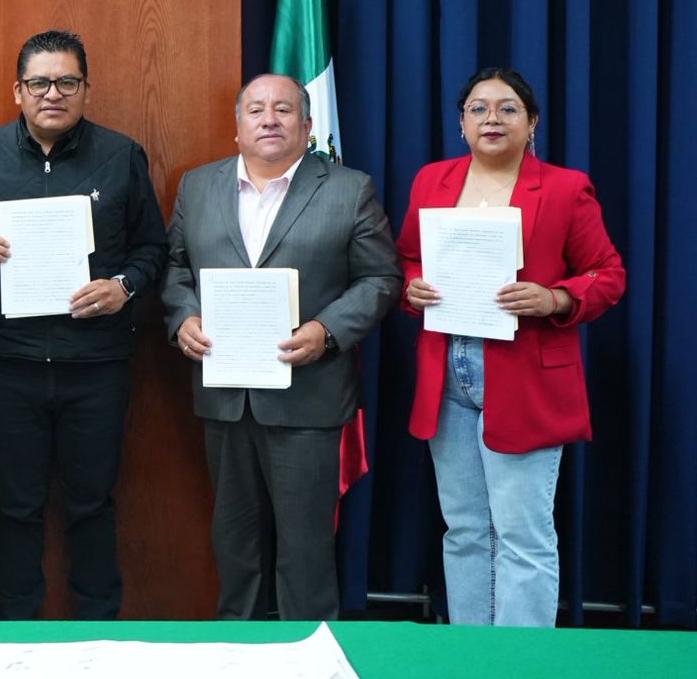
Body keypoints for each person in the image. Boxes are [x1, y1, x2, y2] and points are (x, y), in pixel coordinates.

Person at [162, 73, 399, 621]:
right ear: (237, 126)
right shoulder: (197, 187)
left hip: (308, 396)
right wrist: (182, 318)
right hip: (225, 396)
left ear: (308, 125)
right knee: (234, 543)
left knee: (305, 549)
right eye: (256, 110)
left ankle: (310, 649)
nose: (269, 119)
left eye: (284, 109)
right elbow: (175, 269)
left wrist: (327, 330)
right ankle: (238, 648)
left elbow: (381, 278)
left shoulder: (348, 189)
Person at [0, 29, 168, 620]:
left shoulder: (120, 154)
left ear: (86, 90)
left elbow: (153, 248)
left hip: (95, 365)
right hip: (11, 363)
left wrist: (124, 287)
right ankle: (14, 633)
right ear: (17, 90)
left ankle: (98, 630)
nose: (53, 93)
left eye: (67, 82)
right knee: (16, 505)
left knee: (92, 503)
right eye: (40, 82)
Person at [398, 67, 624, 627]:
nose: (491, 118)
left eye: (507, 108)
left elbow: (608, 274)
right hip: (448, 370)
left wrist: (555, 298)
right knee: (465, 529)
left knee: (523, 534)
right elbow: (407, 258)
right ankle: (475, 653)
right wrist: (412, 286)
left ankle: (521, 661)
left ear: (531, 123)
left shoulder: (566, 188)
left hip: (527, 375)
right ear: (461, 123)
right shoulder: (432, 181)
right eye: (478, 108)